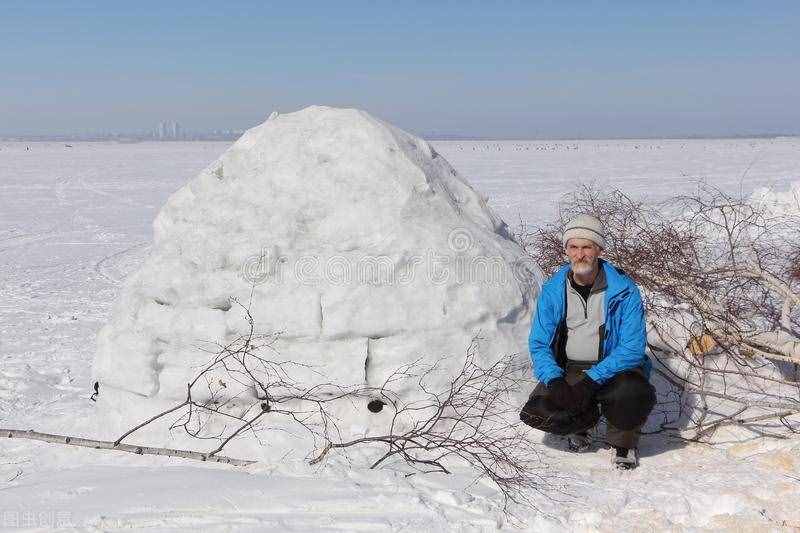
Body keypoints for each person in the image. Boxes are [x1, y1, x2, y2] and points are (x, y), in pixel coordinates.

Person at [519, 214, 656, 469]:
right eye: (573, 247)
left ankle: (623, 442)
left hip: (616, 368)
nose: (580, 254)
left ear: (599, 249)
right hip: (572, 367)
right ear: (566, 250)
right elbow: (539, 343)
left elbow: (633, 348)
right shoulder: (553, 290)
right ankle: (584, 422)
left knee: (632, 393)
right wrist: (555, 379)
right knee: (538, 412)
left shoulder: (624, 290)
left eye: (587, 247)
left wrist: (591, 380)